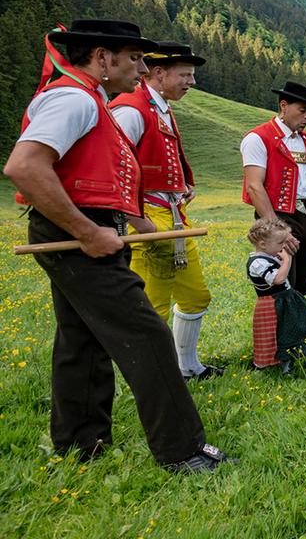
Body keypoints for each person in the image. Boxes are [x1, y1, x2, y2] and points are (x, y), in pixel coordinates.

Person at [3, 19, 232, 473]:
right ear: (102, 58)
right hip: (75, 231)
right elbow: (25, 166)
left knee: (82, 337)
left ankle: (80, 443)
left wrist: (117, 223)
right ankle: (181, 450)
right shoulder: (73, 97)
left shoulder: (92, 99)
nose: (143, 68)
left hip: (79, 228)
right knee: (146, 332)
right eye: (134, 58)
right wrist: (88, 232)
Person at [109, 41, 224, 381]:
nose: (191, 82)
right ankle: (152, 377)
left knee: (195, 295)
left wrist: (181, 186)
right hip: (147, 217)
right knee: (152, 305)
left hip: (173, 215)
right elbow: (113, 170)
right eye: (185, 75)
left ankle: (186, 366)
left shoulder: (159, 108)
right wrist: (137, 222)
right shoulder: (130, 109)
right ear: (158, 73)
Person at [240, 81, 306, 295]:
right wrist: (278, 229)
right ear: (283, 106)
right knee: (280, 282)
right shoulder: (258, 138)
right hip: (281, 216)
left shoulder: (304, 140)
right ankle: (277, 326)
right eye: (303, 110)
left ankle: (298, 325)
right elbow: (254, 186)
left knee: (302, 284)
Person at [245, 217, 306, 374]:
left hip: (285, 301)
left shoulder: (271, 256)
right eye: (280, 243)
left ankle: (293, 356)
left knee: (293, 329)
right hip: (272, 305)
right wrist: (287, 259)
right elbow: (278, 279)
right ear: (263, 244)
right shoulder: (257, 262)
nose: (283, 247)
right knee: (275, 334)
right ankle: (274, 363)